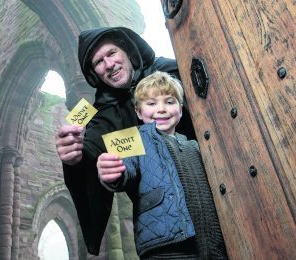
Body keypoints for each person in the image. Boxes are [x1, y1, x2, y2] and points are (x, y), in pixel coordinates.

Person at [55, 27, 196, 255]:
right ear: (94, 74)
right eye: (99, 62)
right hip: (162, 229)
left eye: (111, 53)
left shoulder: (168, 73)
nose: (108, 64)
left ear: (127, 50)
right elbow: (94, 158)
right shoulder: (104, 116)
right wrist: (74, 159)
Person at [97, 71, 227, 259]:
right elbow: (125, 169)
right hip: (164, 246)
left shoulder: (195, 146)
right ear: (139, 112)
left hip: (210, 243)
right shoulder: (133, 139)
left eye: (169, 101)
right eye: (151, 103)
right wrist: (112, 172)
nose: (162, 108)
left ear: (180, 110)